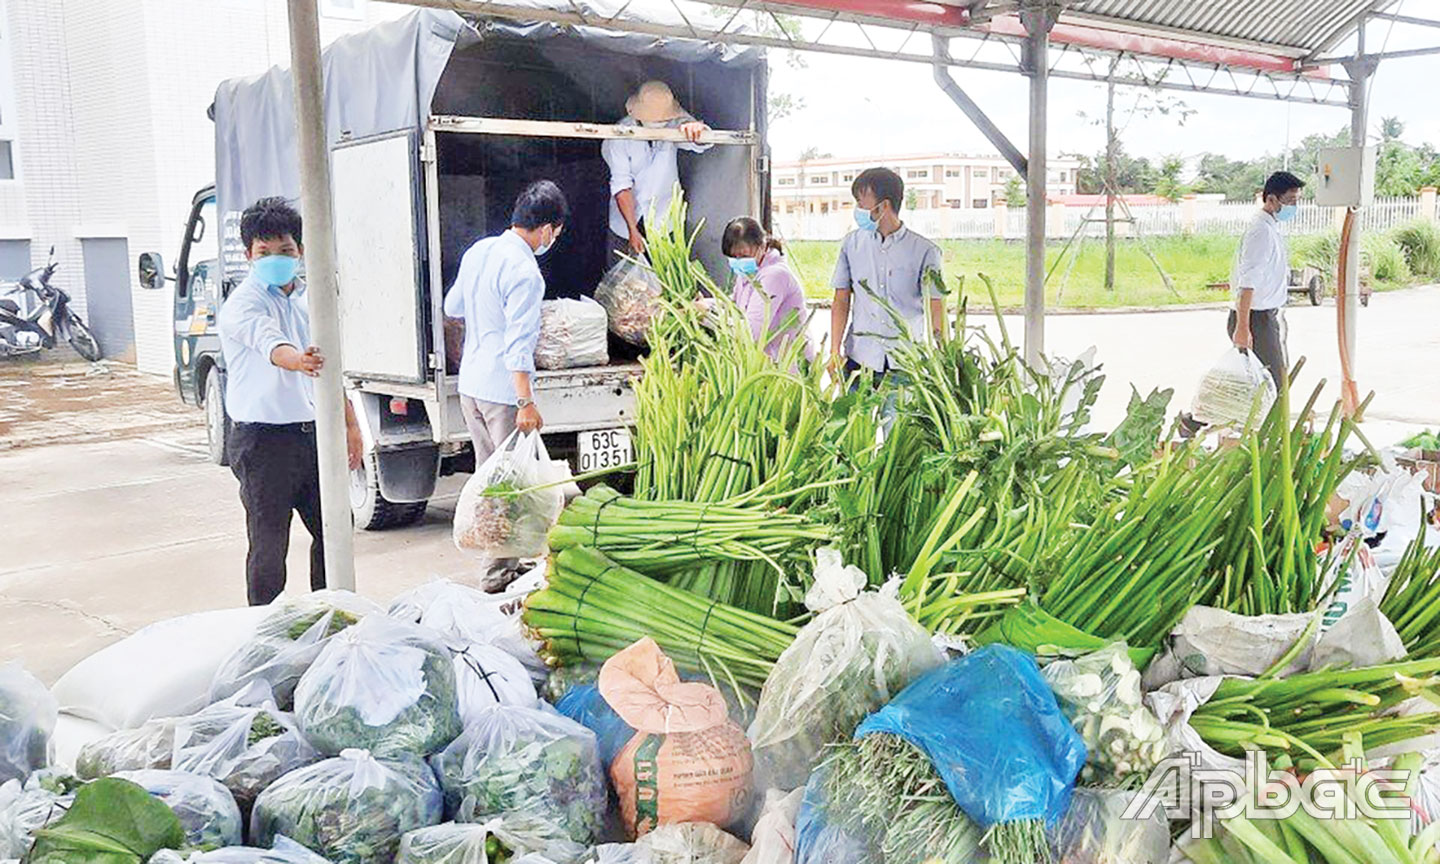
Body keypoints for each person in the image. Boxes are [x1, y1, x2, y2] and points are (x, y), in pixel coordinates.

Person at [217, 196, 364, 607]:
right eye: (265, 252)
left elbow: (331, 368)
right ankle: (262, 627)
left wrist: (350, 425)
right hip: (263, 443)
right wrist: (298, 360)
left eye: (286, 250)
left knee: (336, 529)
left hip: (312, 435)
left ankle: (329, 611)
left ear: (300, 250)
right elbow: (271, 344)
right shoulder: (243, 305)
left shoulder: (309, 299)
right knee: (268, 544)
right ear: (249, 255)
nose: (276, 259)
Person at [444, 180, 568, 470]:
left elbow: (452, 307)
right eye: (556, 233)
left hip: (471, 386)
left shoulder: (479, 250)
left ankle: (482, 518)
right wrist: (525, 402)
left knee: (489, 479)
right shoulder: (526, 273)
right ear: (547, 229)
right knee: (512, 484)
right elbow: (519, 342)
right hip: (502, 393)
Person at [829, 167, 945, 384]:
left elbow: (935, 306)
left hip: (904, 362)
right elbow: (841, 300)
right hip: (859, 359)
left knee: (894, 419)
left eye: (861, 202)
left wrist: (945, 356)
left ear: (883, 205)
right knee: (853, 416)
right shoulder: (851, 244)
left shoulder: (925, 251)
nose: (858, 209)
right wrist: (834, 350)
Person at [601, 80, 711, 262]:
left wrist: (698, 130)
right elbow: (622, 186)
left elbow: (700, 142)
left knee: (668, 277)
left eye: (664, 118)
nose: (660, 122)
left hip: (665, 222)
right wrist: (632, 230)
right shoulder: (620, 134)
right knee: (623, 284)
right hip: (625, 222)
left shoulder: (674, 123)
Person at [1231, 170, 1304, 389]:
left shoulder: (1270, 227)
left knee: (1255, 384)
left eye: (1296, 201)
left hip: (1264, 316)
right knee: (1274, 386)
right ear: (1271, 199)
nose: (1294, 207)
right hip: (1256, 319)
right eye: (1290, 201)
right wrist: (1243, 327)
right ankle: (1196, 420)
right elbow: (1247, 283)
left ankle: (1196, 421)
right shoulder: (1260, 231)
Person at [713, 216, 807, 360]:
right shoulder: (749, 271)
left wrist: (708, 315)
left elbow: (751, 333)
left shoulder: (774, 276)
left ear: (762, 246)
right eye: (733, 257)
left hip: (781, 366)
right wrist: (707, 304)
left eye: (743, 256)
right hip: (765, 361)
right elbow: (736, 305)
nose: (738, 262)